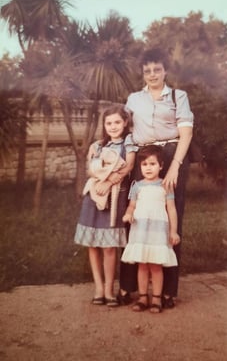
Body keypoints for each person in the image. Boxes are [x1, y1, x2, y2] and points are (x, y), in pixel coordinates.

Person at [118, 48, 194, 308]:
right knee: (136, 216)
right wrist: (127, 159)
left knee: (171, 220)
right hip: (142, 157)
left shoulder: (177, 96)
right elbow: (125, 129)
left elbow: (185, 134)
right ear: (143, 72)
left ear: (165, 71)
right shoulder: (133, 99)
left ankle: (168, 292)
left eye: (157, 69)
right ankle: (129, 288)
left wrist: (174, 166)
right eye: (147, 70)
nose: (152, 74)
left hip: (171, 155)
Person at [74, 105, 137, 307]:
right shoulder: (98, 146)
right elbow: (91, 170)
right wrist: (98, 176)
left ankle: (110, 289)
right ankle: (98, 288)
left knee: (109, 246)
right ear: (104, 125)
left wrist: (109, 182)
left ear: (125, 122)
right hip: (94, 197)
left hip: (114, 198)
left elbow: (128, 166)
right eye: (109, 123)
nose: (113, 126)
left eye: (117, 122)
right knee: (93, 244)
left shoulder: (129, 142)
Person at [121, 145, 180, 313]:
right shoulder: (137, 186)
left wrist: (173, 231)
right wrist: (128, 215)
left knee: (155, 266)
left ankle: (156, 298)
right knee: (142, 265)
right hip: (140, 231)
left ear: (161, 166)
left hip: (158, 233)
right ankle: (142, 297)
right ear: (140, 166)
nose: (148, 168)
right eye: (145, 164)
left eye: (152, 164)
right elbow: (131, 206)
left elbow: (172, 209)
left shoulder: (165, 185)